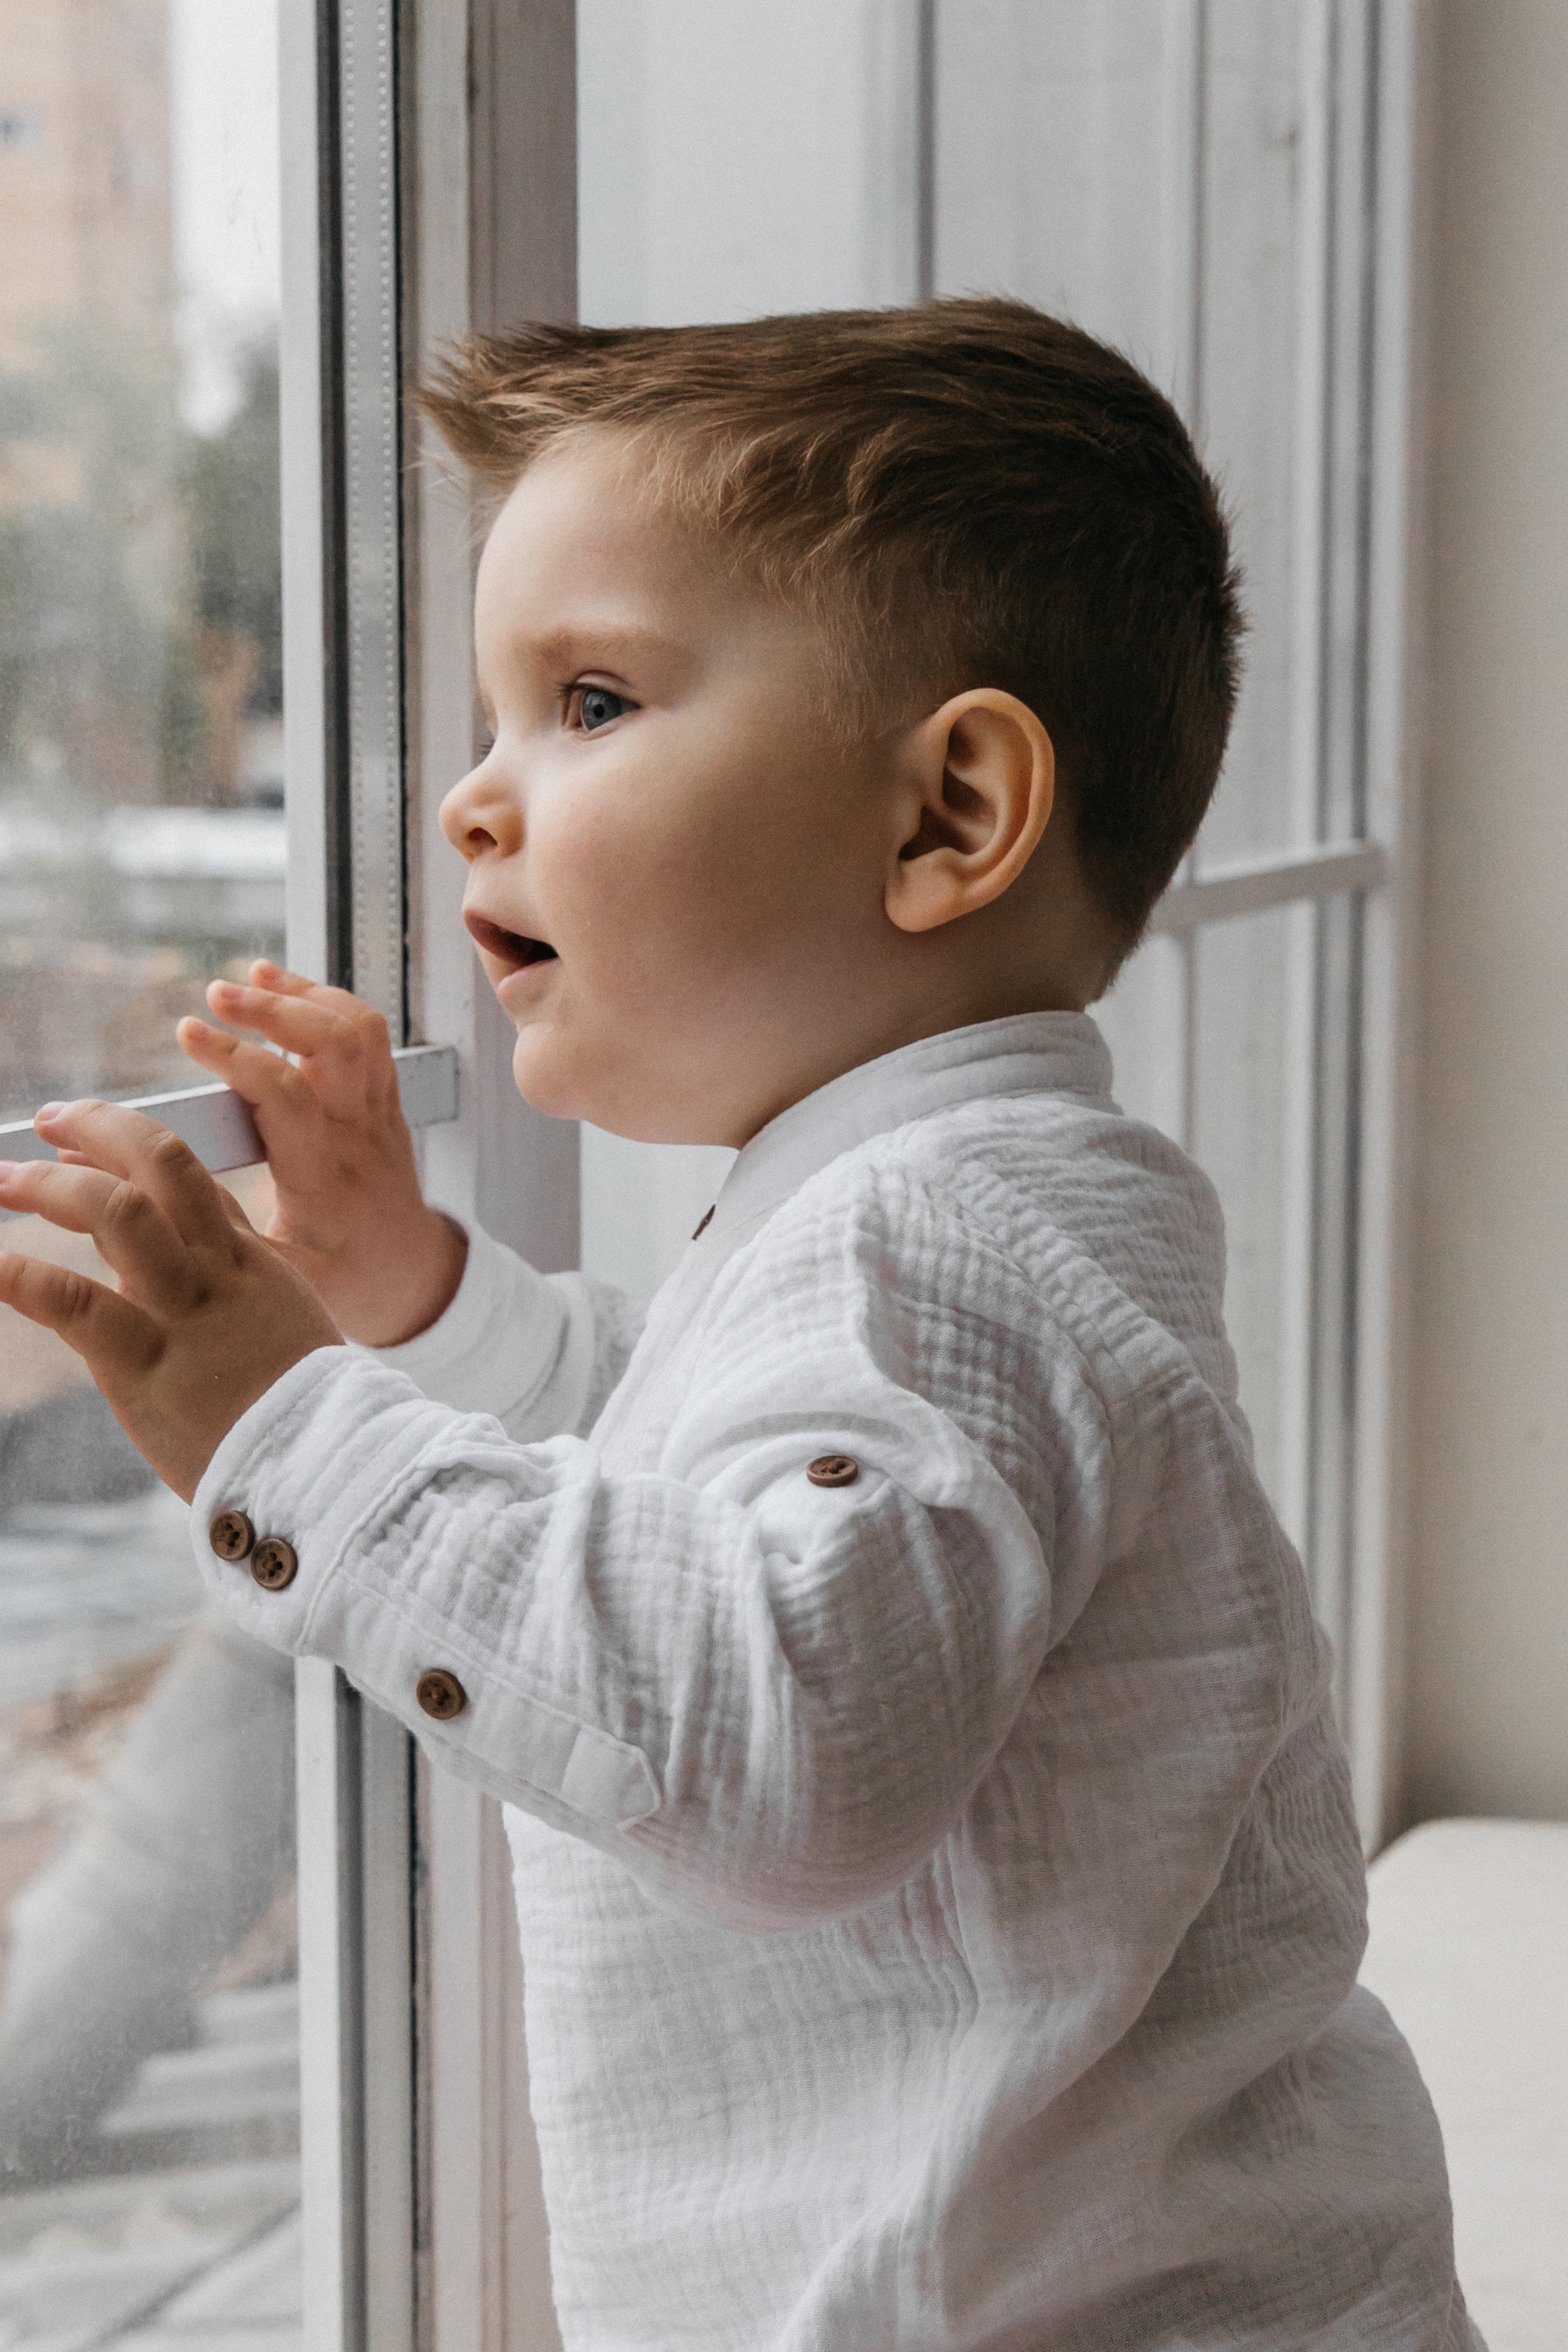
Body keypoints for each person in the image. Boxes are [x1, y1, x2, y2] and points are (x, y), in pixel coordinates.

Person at [0, 301, 1478, 2348]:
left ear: (947, 815)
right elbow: (719, 1484)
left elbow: (790, 1736)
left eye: (588, 699)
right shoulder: (947, 1203)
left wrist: (294, 1433)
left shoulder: (942, 1241)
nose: (467, 803)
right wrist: (409, 1301)